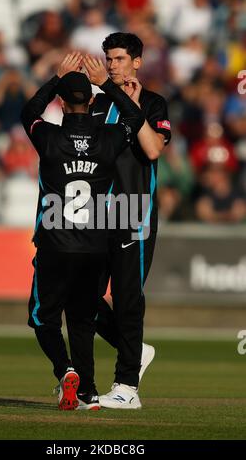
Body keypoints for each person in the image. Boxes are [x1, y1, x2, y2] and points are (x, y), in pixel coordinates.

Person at [21, 52, 144, 411]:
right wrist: (105, 83)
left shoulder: (48, 137)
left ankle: (66, 370)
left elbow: (28, 113)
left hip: (55, 244)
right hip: (94, 247)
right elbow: (135, 117)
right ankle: (88, 394)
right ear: (91, 102)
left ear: (60, 101)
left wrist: (55, 78)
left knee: (42, 317)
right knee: (82, 319)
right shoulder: (107, 138)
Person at [90, 33, 171, 409]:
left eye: (120, 58)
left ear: (137, 62)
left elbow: (153, 149)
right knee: (79, 295)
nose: (112, 65)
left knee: (126, 299)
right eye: (108, 59)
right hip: (93, 215)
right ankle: (136, 351)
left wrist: (132, 107)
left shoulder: (154, 103)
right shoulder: (96, 104)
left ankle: (127, 387)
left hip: (133, 211)